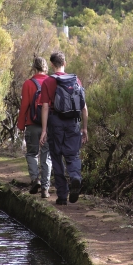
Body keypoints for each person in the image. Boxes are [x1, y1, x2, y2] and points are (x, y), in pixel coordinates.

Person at [39, 51, 88, 205]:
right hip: (74, 123)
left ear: (52, 65)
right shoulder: (76, 80)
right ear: (64, 63)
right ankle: (75, 177)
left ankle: (62, 196)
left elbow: (45, 107)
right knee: (73, 155)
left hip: (55, 122)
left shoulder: (47, 82)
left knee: (56, 157)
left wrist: (44, 130)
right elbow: (84, 108)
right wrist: (85, 129)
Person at [17, 57, 52, 198]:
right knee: (46, 156)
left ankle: (35, 179)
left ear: (34, 68)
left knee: (32, 154)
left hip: (32, 125)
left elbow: (24, 105)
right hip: (48, 126)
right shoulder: (52, 82)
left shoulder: (28, 84)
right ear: (46, 68)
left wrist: (20, 125)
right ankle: (45, 188)